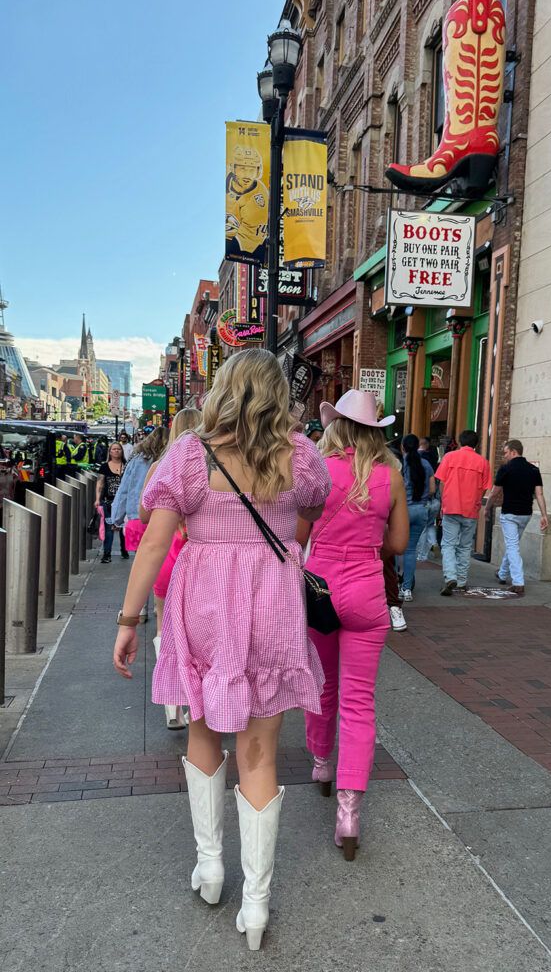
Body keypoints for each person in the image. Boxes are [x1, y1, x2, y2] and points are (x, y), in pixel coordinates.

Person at [112, 350, 331, 951]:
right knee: (260, 751)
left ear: (225, 392)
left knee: (205, 728)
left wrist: (129, 619)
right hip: (276, 608)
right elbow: (310, 514)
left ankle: (211, 867)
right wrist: (277, 544)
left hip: (205, 601)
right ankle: (255, 906)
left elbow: (154, 545)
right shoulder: (301, 454)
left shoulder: (189, 453)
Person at [299, 389, 409, 861]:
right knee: (359, 701)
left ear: (335, 427)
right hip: (366, 592)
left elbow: (297, 535)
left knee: (322, 684)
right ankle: (349, 811)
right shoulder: (391, 476)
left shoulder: (318, 472)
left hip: (319, 588)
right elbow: (399, 544)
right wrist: (366, 547)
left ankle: (322, 764)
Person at [140, 409, 201, 730]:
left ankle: (171, 708)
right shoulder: (209, 466)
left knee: (164, 626)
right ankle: (194, 704)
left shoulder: (159, 467)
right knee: (197, 635)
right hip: (198, 558)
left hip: (167, 555)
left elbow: (144, 514)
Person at [484, 439, 549, 596]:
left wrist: (487, 508)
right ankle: (502, 573)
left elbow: (494, 492)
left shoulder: (505, 469)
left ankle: (518, 582)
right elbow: (539, 494)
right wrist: (544, 515)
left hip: (510, 514)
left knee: (513, 546)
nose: (504, 456)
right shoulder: (533, 470)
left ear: (514, 452)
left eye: (506, 452)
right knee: (513, 544)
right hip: (526, 514)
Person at [436, 429, 492, 595]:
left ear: (460, 442)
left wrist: (442, 504)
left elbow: (442, 483)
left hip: (451, 507)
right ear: (477, 444)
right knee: (465, 546)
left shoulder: (449, 457)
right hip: (470, 510)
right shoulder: (483, 462)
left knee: (448, 544)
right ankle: (461, 580)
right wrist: (476, 501)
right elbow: (484, 488)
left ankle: (450, 576)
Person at [398, 434, 435, 601]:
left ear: (403, 447)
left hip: (403, 510)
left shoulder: (401, 464)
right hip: (421, 510)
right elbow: (433, 489)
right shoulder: (426, 464)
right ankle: (407, 589)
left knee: (395, 548)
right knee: (411, 550)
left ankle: (396, 584)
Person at [225, 145, 268, 263]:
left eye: (251, 169)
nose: (247, 175)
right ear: (233, 169)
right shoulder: (225, 184)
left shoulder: (259, 202)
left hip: (243, 245)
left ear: (258, 171)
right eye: (242, 168)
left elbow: (245, 245)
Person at [95, 443, 127, 562]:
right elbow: (100, 483)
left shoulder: (127, 466)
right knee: (108, 529)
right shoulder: (104, 467)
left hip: (123, 502)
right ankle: (106, 554)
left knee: (123, 527)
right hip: (108, 502)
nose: (116, 451)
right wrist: (97, 499)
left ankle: (124, 550)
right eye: (114, 449)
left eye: (119, 449)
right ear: (110, 452)